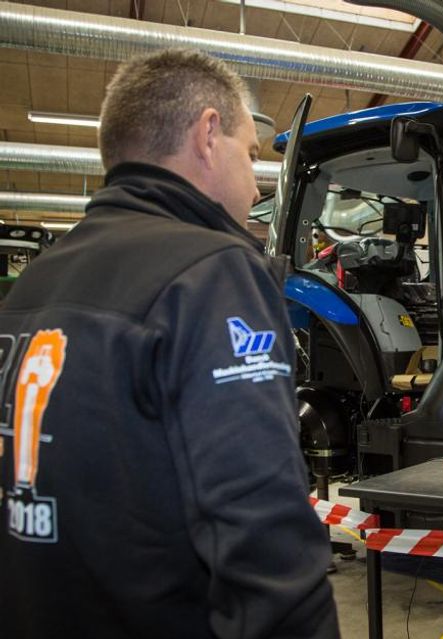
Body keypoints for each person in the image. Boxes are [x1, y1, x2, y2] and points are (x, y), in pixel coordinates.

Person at [0, 49, 340, 638]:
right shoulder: (212, 272)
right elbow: (262, 532)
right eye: (250, 154)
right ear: (208, 135)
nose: (256, 180)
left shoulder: (36, 281)